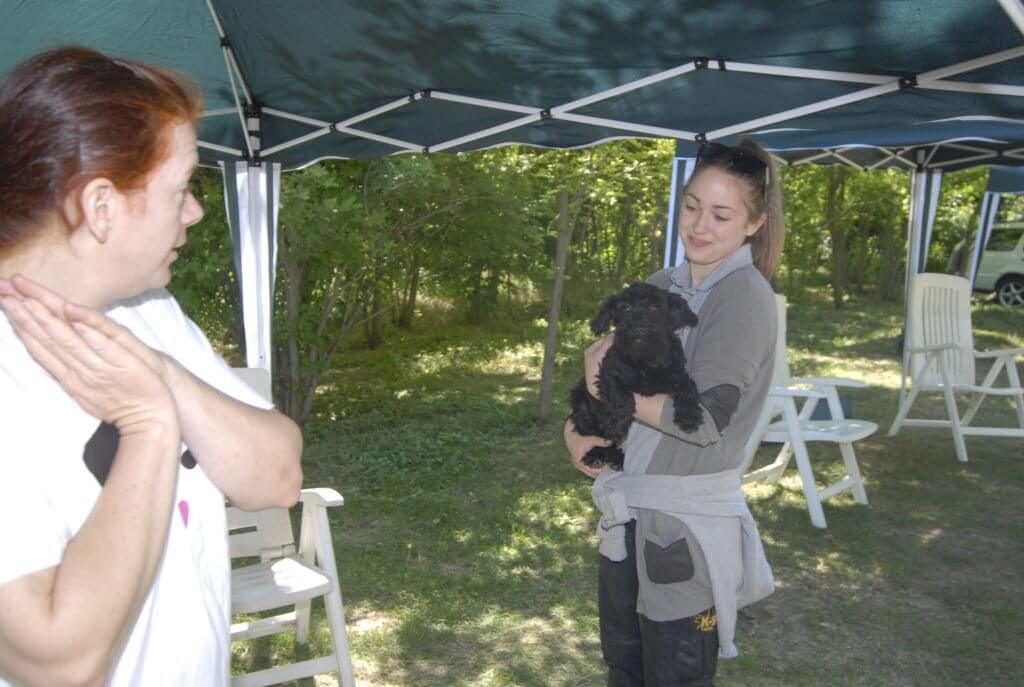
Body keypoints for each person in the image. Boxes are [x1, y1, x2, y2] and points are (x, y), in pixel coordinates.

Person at [0, 47, 303, 687]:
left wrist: (162, 374)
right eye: (181, 187)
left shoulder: (148, 310)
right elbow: (61, 663)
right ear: (101, 207)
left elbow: (276, 479)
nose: (194, 211)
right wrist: (148, 424)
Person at [564, 139, 785, 686]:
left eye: (721, 215)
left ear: (754, 223)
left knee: (674, 678)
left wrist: (607, 389)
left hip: (681, 531)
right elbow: (608, 372)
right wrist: (577, 431)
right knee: (625, 668)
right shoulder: (664, 286)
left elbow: (704, 421)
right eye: (691, 206)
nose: (700, 225)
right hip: (630, 513)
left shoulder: (743, 297)